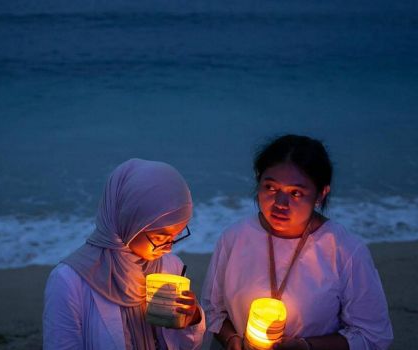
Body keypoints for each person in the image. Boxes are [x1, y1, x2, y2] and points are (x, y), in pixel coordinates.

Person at [201, 135, 393, 350]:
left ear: (321, 193)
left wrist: (306, 346)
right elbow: (213, 310)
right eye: (271, 188)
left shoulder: (345, 250)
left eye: (296, 193)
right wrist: (231, 340)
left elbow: (372, 334)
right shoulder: (235, 237)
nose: (280, 203)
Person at [43, 158, 205, 350]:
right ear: (130, 222)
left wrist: (193, 319)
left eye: (176, 236)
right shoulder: (69, 281)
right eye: (160, 237)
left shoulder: (171, 268)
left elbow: (186, 346)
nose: (169, 247)